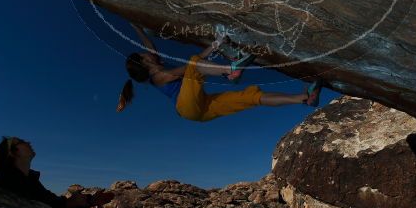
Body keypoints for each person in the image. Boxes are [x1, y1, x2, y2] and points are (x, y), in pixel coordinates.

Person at [116, 23, 322, 121]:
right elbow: (190, 68)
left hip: (202, 108)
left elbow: (148, 44)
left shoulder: (154, 64)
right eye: (144, 54)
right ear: (144, 61)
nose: (148, 52)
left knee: (251, 97)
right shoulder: (158, 77)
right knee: (194, 62)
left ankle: (304, 98)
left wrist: (136, 25)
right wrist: (215, 44)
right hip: (187, 108)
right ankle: (230, 70)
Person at [0, 136, 66, 208]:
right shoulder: (7, 182)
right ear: (11, 153)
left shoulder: (30, 179)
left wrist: (70, 201)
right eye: (21, 141)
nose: (28, 143)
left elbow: (51, 200)